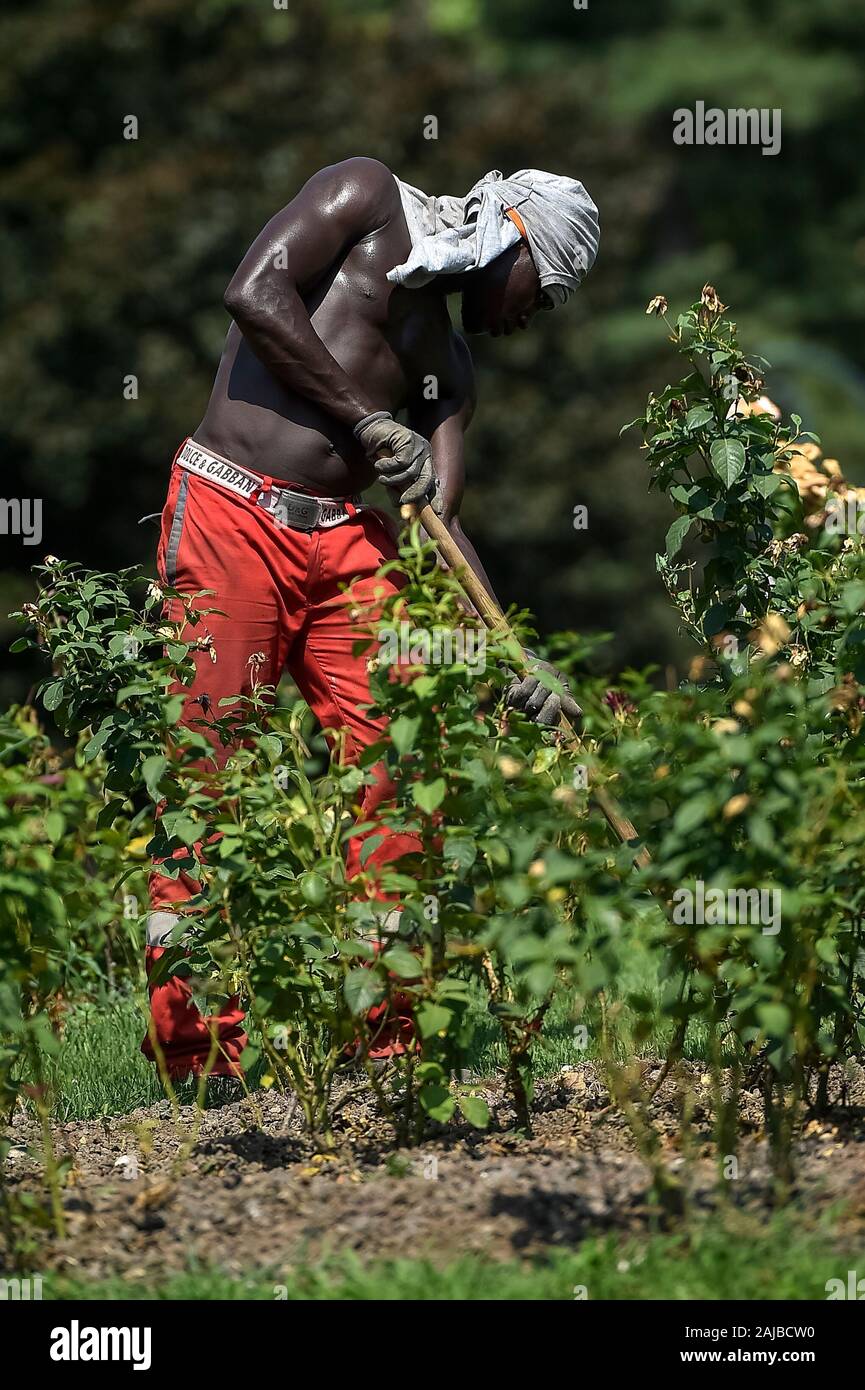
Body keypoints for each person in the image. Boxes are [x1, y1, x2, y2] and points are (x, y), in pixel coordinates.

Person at [142, 158, 599, 1095]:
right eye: (543, 290)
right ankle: (200, 1058)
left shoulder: (450, 370)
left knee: (405, 756)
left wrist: (515, 656)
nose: (533, 315)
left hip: (346, 541)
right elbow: (251, 291)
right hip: (234, 508)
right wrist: (363, 421)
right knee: (208, 769)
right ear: (513, 238)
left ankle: (385, 1046)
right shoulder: (364, 196)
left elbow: (443, 523)